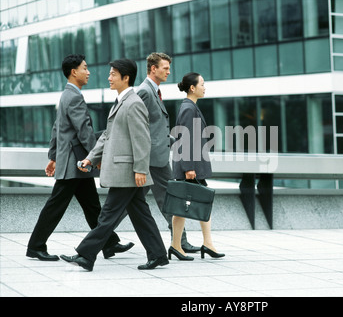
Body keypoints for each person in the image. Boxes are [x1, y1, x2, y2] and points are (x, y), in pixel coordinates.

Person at [60, 59, 168, 271]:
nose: (109, 78)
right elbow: (107, 137)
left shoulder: (134, 102)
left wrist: (140, 169)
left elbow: (142, 140)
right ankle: (158, 254)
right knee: (140, 213)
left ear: (125, 78)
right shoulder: (121, 101)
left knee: (107, 215)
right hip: (124, 170)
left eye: (113, 74)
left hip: (127, 171)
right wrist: (91, 158)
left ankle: (85, 255)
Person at [26, 54, 133, 262]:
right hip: (74, 164)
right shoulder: (74, 96)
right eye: (85, 68)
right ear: (74, 72)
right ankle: (36, 246)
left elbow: (58, 128)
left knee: (92, 206)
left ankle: (109, 243)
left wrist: (53, 156)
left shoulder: (66, 95)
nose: (88, 72)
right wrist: (96, 156)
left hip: (73, 162)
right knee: (55, 206)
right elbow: (84, 130)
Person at [136, 52, 200, 254]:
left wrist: (171, 140)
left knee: (128, 201)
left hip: (154, 156)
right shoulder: (145, 92)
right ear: (153, 69)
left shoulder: (153, 91)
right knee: (171, 198)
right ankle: (180, 242)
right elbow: (138, 125)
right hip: (153, 159)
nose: (169, 71)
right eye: (165, 67)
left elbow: (154, 127)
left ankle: (106, 239)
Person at [170, 72, 224, 261]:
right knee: (188, 204)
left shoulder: (190, 107)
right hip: (190, 167)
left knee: (188, 203)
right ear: (192, 88)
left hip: (191, 165)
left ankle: (188, 244)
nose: (204, 86)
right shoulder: (188, 108)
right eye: (202, 83)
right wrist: (188, 168)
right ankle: (180, 245)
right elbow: (185, 139)